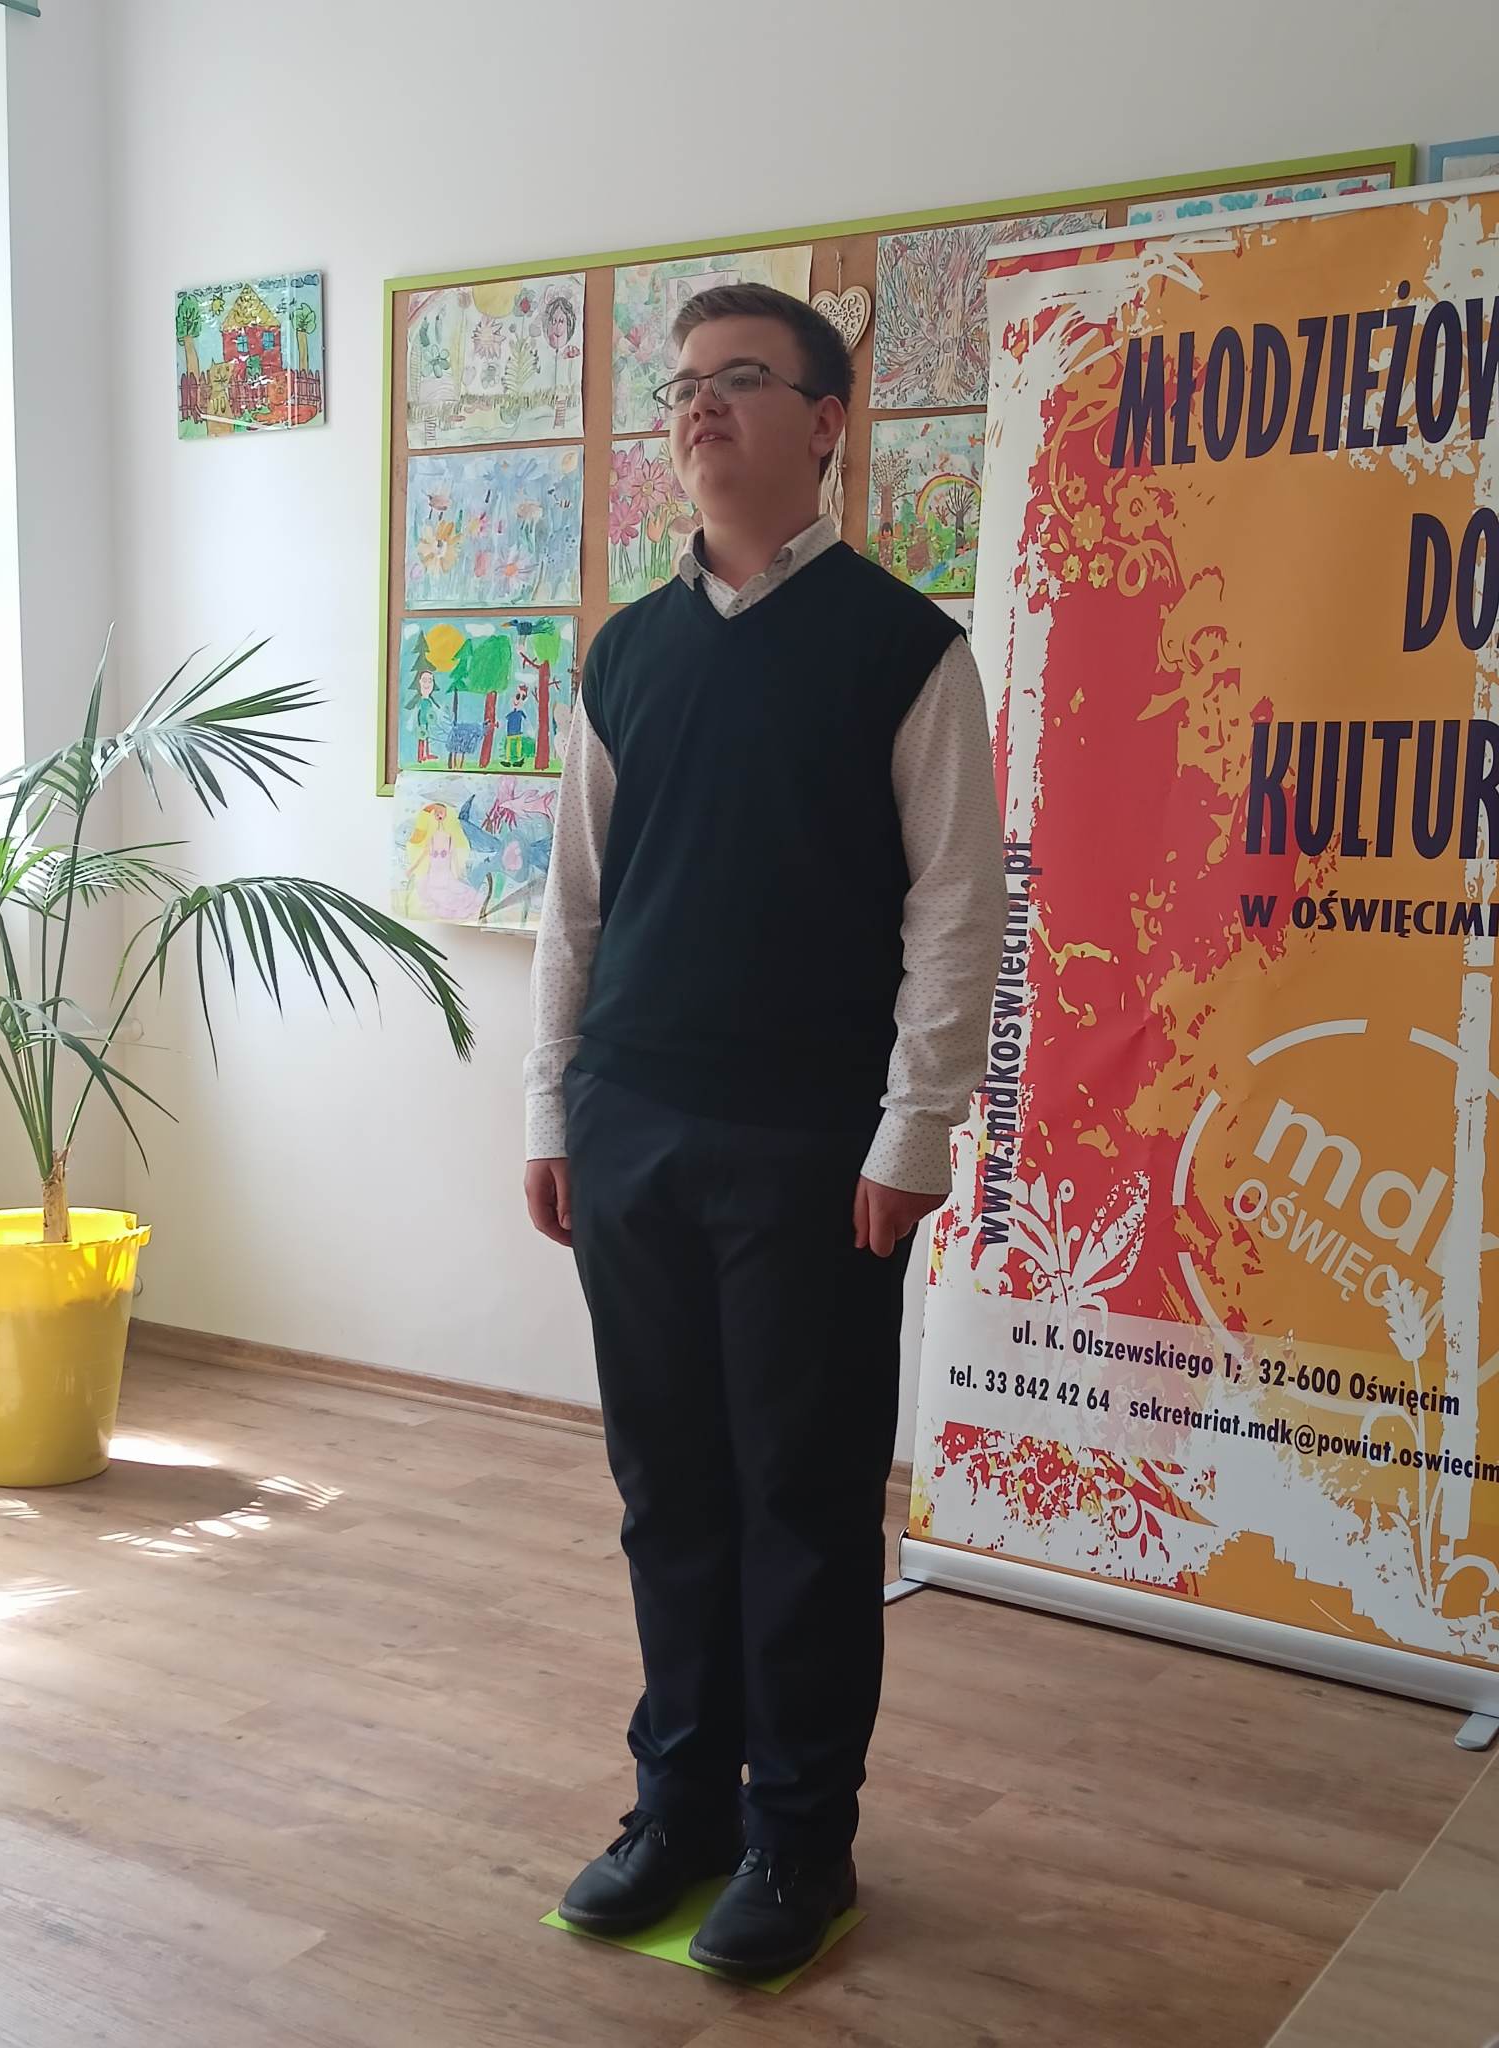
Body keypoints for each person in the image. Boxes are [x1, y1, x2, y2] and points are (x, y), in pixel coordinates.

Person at [523, 282, 1006, 1980]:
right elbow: (576, 906)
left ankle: (798, 1836)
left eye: (741, 378)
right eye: (682, 386)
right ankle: (681, 1811)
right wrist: (553, 1105)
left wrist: (911, 1135)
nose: (701, 406)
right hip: (633, 1125)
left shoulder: (904, 649)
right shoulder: (626, 653)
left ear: (829, 423)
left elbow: (959, 908)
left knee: (800, 1498)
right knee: (668, 1492)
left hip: (813, 1147)